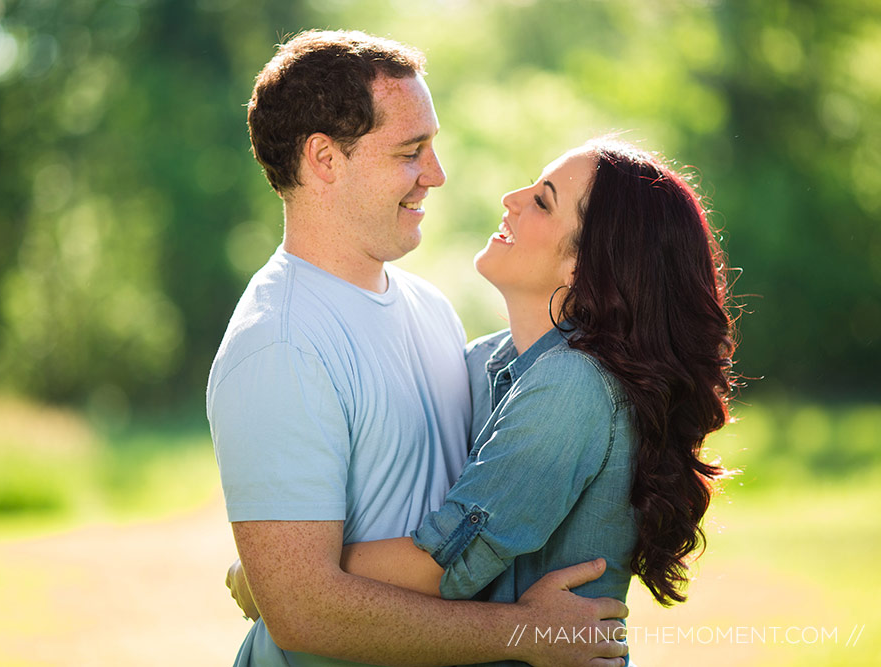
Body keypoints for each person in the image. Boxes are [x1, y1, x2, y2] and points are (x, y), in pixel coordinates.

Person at [207, 30, 629, 667]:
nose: (436, 174)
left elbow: (482, 506)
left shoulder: (430, 308)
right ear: (324, 158)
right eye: (411, 151)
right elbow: (300, 612)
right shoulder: (279, 344)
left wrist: (267, 567)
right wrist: (524, 634)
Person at [327, 138, 738, 665]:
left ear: (583, 267)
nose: (511, 198)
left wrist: (291, 578)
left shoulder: (573, 384)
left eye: (543, 201)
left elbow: (446, 564)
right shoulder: (486, 361)